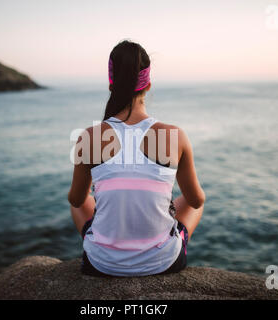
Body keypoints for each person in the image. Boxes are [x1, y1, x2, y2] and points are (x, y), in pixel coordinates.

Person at [68, 40, 205, 277]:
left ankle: (107, 245)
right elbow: (195, 201)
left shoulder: (88, 137)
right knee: (192, 202)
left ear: (111, 84)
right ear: (148, 84)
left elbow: (76, 199)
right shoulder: (175, 135)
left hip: (102, 264)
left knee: (82, 202)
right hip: (162, 263)